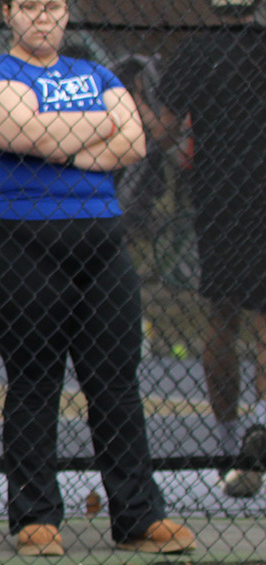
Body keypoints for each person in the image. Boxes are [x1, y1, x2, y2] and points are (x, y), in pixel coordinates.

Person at [0, 0, 195, 556]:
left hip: (101, 243)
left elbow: (133, 142)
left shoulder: (96, 73)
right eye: (28, 6)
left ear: (66, 14)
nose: (42, 17)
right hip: (18, 241)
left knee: (116, 381)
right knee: (35, 379)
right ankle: (36, 517)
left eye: (53, 6)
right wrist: (96, 127)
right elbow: (30, 135)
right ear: (7, 13)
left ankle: (137, 517)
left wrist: (59, 142)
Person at [160, 0, 266, 498]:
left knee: (222, 314)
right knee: (260, 316)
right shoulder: (224, 51)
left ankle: (229, 445)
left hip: (221, 194)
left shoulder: (196, 52)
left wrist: (134, 108)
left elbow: (162, 130)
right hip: (246, 190)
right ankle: (256, 429)